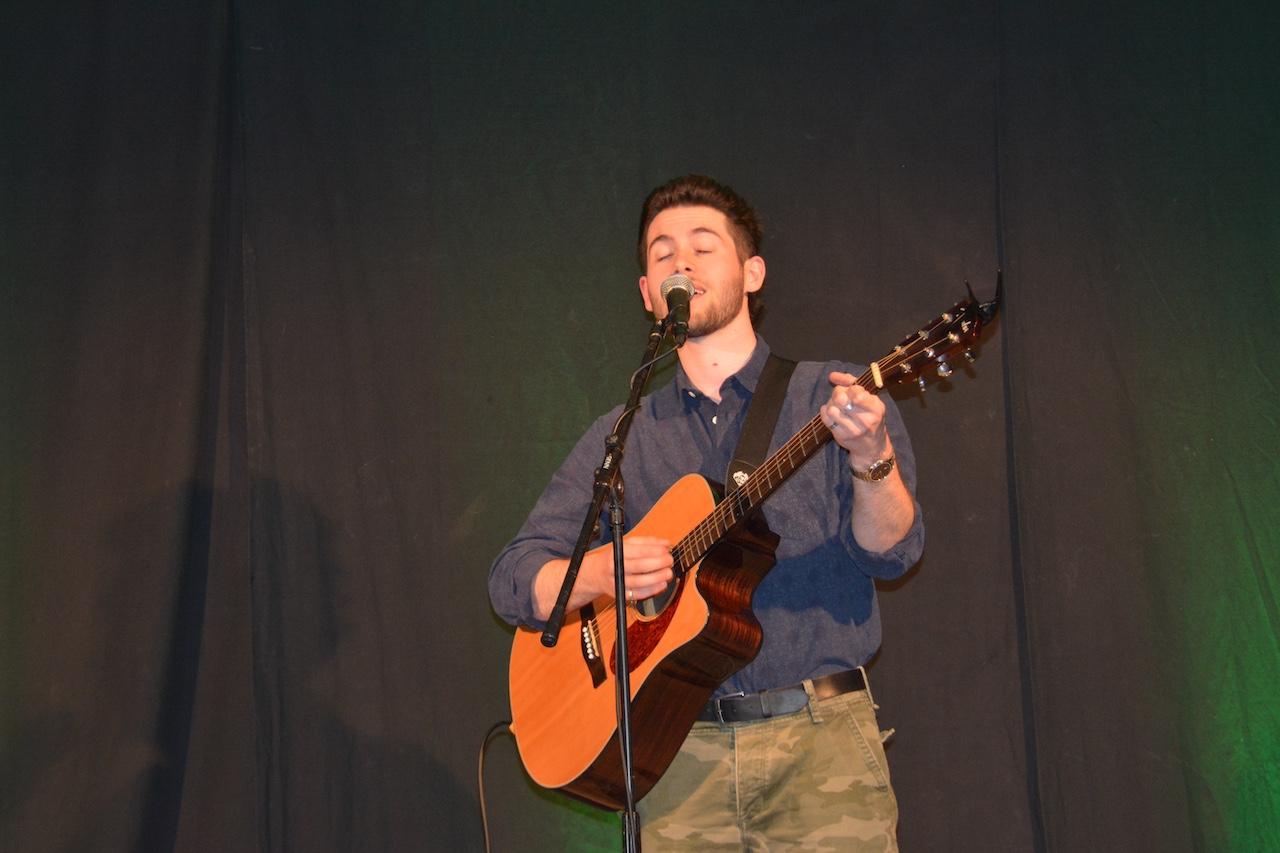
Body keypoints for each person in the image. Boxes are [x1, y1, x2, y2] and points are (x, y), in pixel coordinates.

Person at [489, 174, 923, 851]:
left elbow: (891, 550)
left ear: (753, 273)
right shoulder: (625, 433)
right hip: (677, 756)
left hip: (820, 749)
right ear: (645, 292)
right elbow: (514, 578)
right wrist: (602, 573)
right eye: (662, 255)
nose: (680, 263)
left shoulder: (831, 394)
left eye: (702, 247)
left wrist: (872, 455)